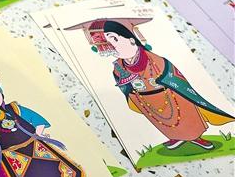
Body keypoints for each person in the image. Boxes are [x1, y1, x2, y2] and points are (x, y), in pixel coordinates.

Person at [100, 20, 234, 149]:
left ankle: (196, 137)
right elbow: (123, 85)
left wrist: (158, 80)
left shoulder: (154, 59)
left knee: (185, 114)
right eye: (108, 42)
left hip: (169, 94)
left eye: (114, 39)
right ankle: (176, 137)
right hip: (144, 99)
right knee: (161, 122)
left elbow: (171, 75)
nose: (112, 46)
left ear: (131, 39)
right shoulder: (118, 66)